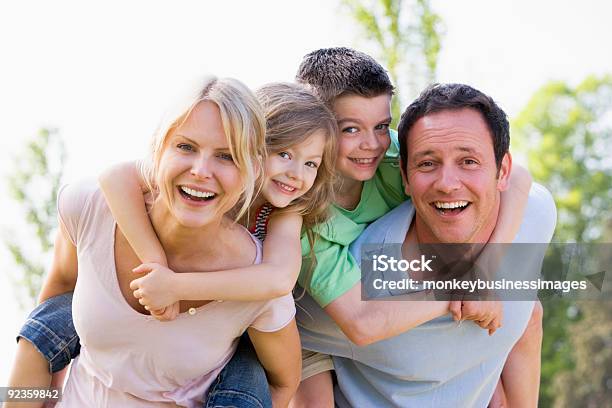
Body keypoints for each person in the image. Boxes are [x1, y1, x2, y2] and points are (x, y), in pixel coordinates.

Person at [6, 77, 302, 408]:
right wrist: (42, 399)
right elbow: (46, 323)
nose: (201, 170)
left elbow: (283, 382)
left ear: (253, 169)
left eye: (227, 156)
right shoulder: (90, 207)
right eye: (186, 147)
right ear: (158, 150)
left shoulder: (255, 284)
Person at [290, 48, 543, 407]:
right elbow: (361, 324)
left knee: (524, 312)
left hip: (395, 283)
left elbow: (516, 175)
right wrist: (459, 288)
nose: (372, 144)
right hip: (315, 321)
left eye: (381, 126)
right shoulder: (303, 214)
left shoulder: (392, 159)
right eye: (350, 129)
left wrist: (485, 269)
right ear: (313, 126)